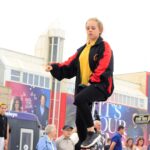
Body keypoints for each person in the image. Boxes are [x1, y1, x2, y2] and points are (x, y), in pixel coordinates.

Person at [45, 17, 114, 149]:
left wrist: (92, 80)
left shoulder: (104, 46)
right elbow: (69, 64)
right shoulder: (82, 50)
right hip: (84, 88)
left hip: (100, 85)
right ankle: (84, 141)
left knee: (80, 99)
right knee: (79, 124)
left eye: (93, 28)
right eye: (87, 28)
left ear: (100, 30)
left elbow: (104, 65)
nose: (90, 30)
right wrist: (54, 67)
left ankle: (92, 132)